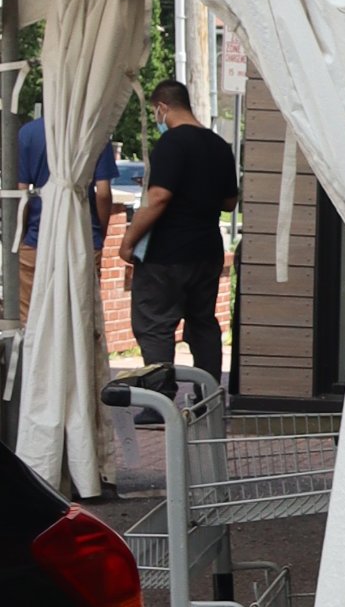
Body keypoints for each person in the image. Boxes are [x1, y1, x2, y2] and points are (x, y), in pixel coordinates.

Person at [122, 77, 238, 385]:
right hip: (207, 250)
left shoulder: (171, 143)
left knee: (156, 324)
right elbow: (229, 202)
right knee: (202, 324)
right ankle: (208, 396)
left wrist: (129, 240)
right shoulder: (218, 145)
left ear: (162, 107)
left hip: (167, 253)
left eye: (156, 113)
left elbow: (158, 198)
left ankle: (159, 398)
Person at [12, 110, 116, 321]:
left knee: (31, 318)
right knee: (81, 316)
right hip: (83, 238)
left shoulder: (28, 133)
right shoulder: (95, 132)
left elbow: (21, 192)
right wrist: (100, 231)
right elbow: (103, 192)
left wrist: (23, 235)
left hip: (37, 238)